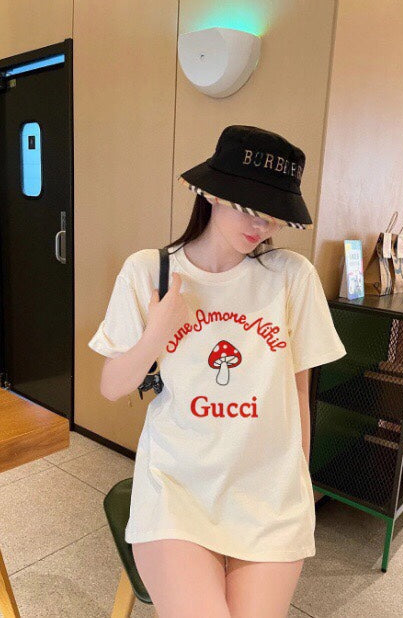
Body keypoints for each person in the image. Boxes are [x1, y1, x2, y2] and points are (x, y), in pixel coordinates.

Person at [88, 125, 347, 617]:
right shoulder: (149, 272)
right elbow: (111, 385)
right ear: (209, 192)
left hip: (268, 492)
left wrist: (299, 483)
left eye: (275, 214)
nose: (262, 226)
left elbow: (297, 392)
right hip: (177, 489)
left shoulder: (292, 277)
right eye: (250, 207)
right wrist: (156, 334)